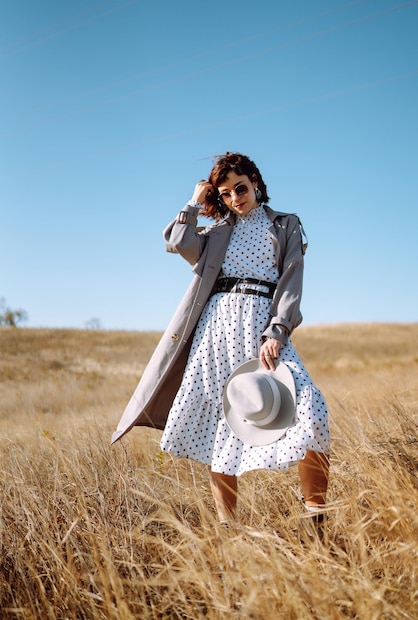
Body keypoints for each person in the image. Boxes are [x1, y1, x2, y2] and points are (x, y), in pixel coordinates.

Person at [112, 152, 330, 528]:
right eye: (225, 193)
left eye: (240, 188)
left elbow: (292, 281)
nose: (234, 198)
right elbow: (177, 241)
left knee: (310, 408)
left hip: (264, 326)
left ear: (256, 182)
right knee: (222, 425)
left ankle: (316, 519)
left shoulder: (286, 225)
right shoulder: (215, 234)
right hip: (217, 329)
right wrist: (194, 201)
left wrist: (277, 331)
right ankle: (228, 531)